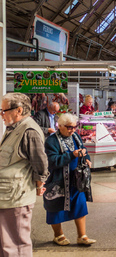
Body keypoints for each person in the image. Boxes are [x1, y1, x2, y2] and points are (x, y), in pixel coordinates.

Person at [0, 93, 49, 256]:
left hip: (16, 198)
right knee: (6, 243)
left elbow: (40, 164)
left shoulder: (29, 131)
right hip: (7, 196)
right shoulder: (13, 128)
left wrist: (39, 185)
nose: (2, 114)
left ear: (18, 110)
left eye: (4, 110)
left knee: (16, 245)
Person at [43, 113, 96, 246]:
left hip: (76, 180)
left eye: (74, 127)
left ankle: (82, 236)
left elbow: (83, 149)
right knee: (55, 208)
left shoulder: (76, 136)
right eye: (69, 127)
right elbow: (52, 161)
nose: (72, 130)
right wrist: (71, 155)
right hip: (57, 181)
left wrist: (87, 158)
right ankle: (58, 235)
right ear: (60, 126)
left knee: (80, 205)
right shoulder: (51, 141)